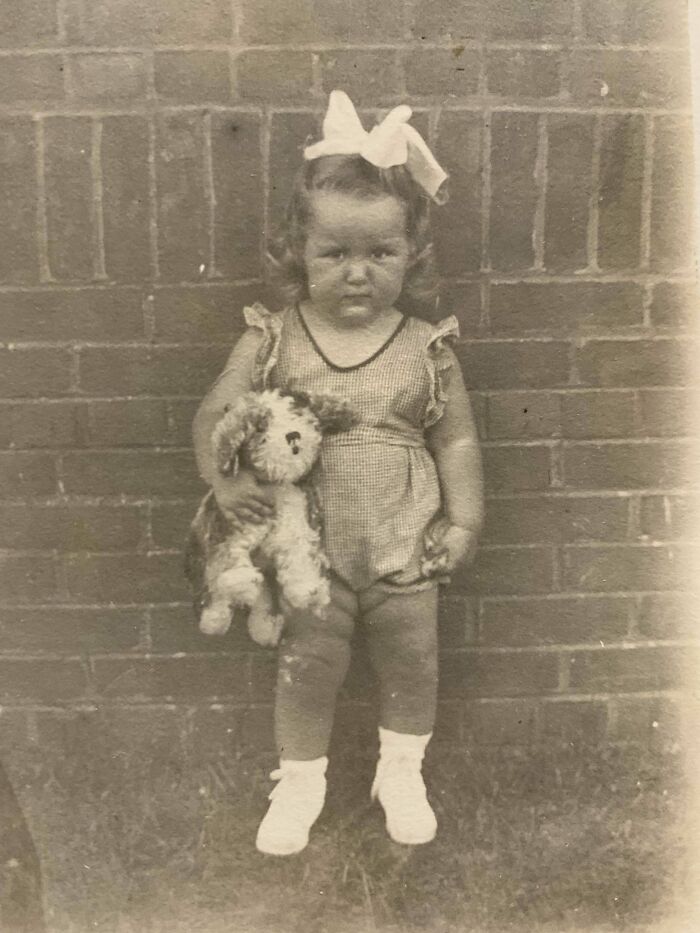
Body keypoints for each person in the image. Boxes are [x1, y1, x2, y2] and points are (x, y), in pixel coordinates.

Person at [192, 91, 484, 856]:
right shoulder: (273, 338)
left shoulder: (426, 347)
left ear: (410, 254)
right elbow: (216, 411)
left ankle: (401, 771)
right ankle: (300, 780)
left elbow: (456, 440)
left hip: (404, 544)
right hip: (312, 553)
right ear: (299, 252)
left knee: (414, 658)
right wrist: (227, 481)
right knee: (308, 663)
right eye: (335, 255)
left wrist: (463, 521)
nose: (358, 274)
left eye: (380, 254)